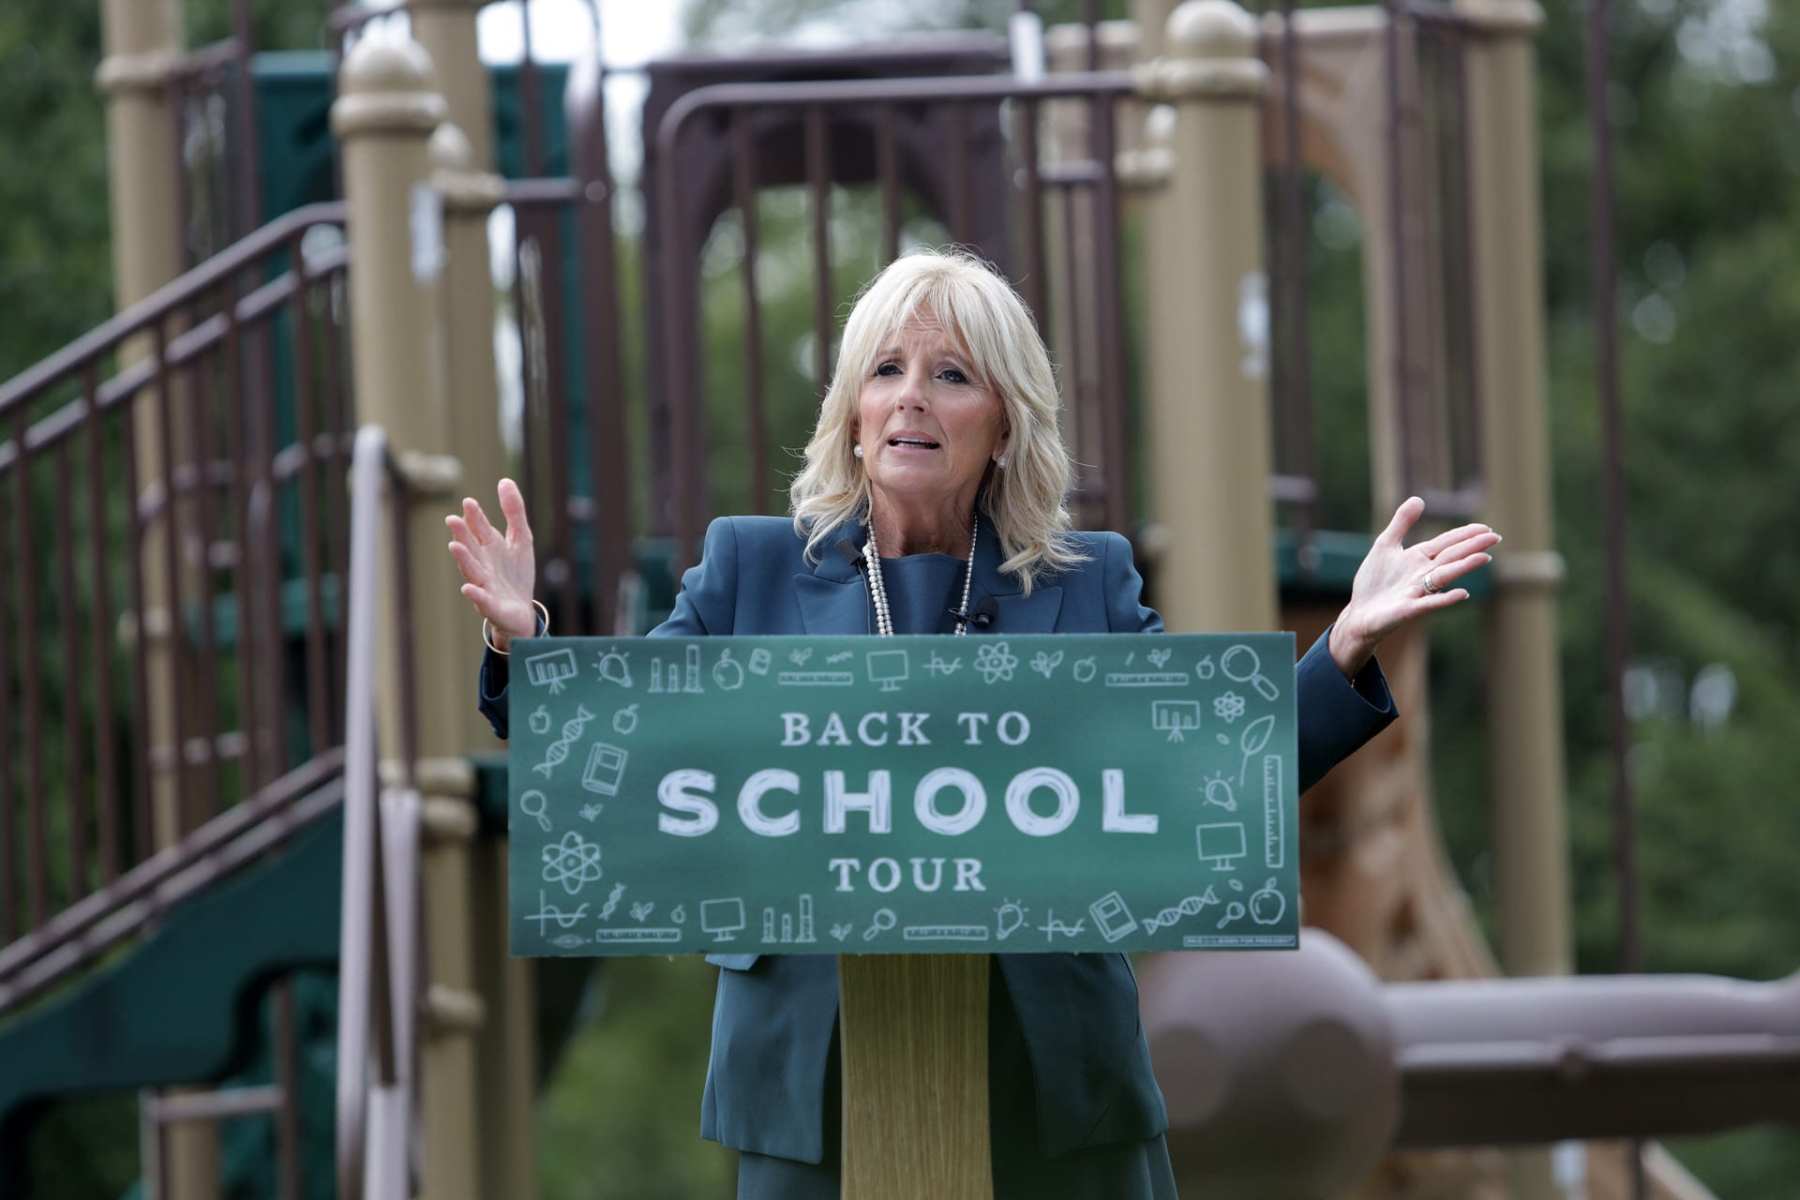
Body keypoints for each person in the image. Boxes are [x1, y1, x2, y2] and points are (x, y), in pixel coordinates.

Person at [446, 249, 1499, 1198]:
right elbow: (624, 752)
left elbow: (1210, 770)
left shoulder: (1087, 583)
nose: (913, 399)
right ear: (852, 415)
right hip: (811, 1083)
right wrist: (518, 641)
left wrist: (1347, 646)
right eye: (886, 370)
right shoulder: (747, 568)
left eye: (951, 375)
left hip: (1051, 1078)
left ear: (1003, 424)